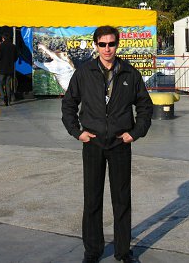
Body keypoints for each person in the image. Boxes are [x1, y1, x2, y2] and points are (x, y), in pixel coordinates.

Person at [62, 26, 152, 263]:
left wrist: (135, 133)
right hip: (93, 143)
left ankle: (123, 251)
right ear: (96, 45)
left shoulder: (130, 73)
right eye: (102, 44)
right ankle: (92, 251)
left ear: (117, 45)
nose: (107, 49)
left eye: (111, 44)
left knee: (121, 200)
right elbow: (69, 104)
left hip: (120, 143)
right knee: (92, 200)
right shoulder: (84, 73)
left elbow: (145, 106)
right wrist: (77, 132)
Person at [0, 33, 18, 106]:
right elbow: (16, 57)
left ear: (3, 38)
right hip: (10, 68)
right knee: (8, 84)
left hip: (1, 68)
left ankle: (2, 99)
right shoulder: (13, 46)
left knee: (0, 83)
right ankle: (8, 100)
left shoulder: (1, 46)